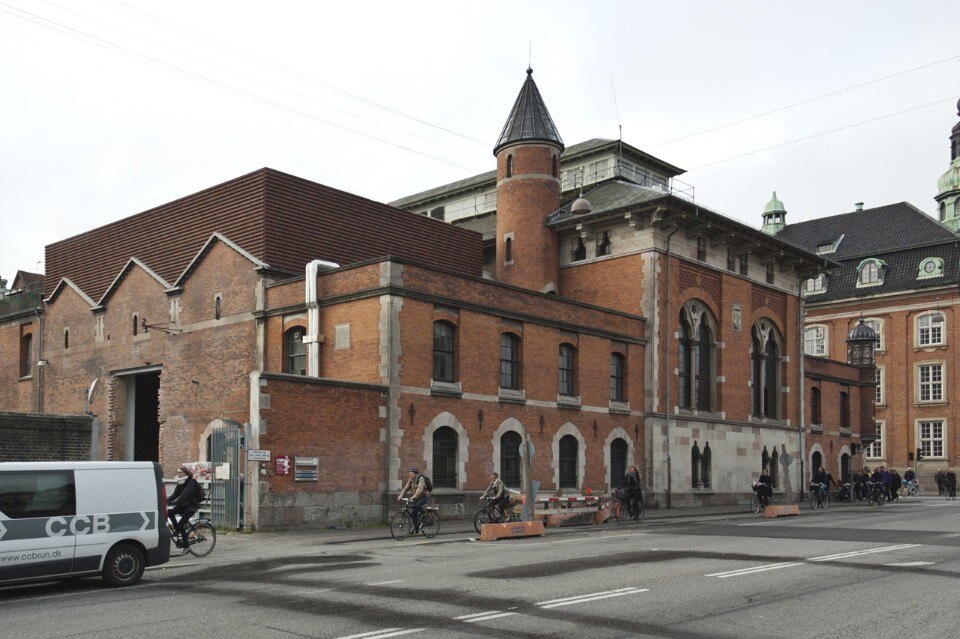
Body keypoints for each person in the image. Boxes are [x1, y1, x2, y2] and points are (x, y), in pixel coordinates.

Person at [167, 464, 203, 547]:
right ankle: (177, 530)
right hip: (183, 505)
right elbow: (175, 495)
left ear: (185, 473)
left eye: (180, 472)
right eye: (177, 472)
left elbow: (185, 495)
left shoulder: (191, 482)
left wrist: (175, 502)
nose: (178, 474)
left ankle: (186, 547)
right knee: (169, 513)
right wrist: (166, 501)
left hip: (191, 506)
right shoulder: (180, 482)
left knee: (180, 525)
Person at [398, 467, 430, 532]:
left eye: (411, 474)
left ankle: (425, 515)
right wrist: (400, 496)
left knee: (417, 506)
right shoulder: (411, 480)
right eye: (409, 474)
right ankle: (416, 528)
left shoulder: (421, 479)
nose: (410, 475)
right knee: (413, 514)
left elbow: (420, 489)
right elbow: (406, 488)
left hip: (423, 497)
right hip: (416, 498)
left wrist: (413, 497)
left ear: (415, 474)